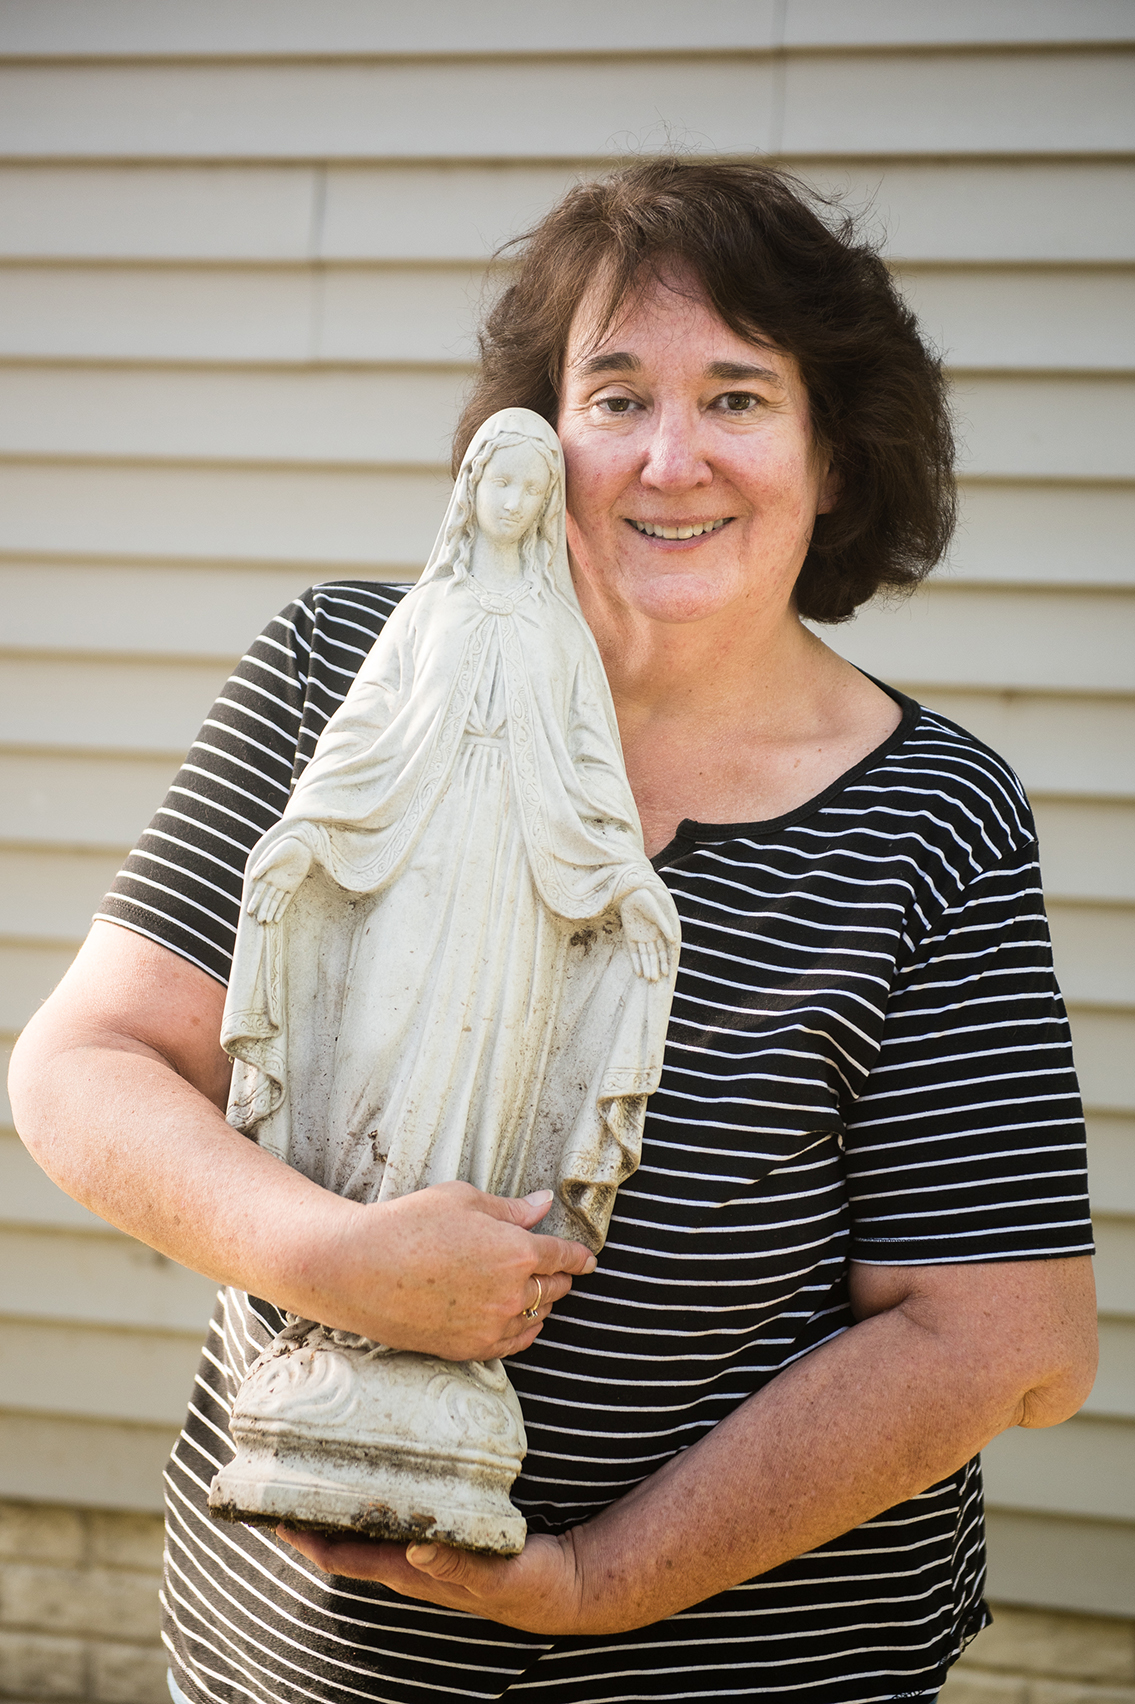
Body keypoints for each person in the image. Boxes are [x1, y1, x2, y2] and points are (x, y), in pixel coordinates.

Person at [9, 158, 1096, 1704]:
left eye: (734, 397)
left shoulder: (925, 816)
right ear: (534, 435)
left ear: (832, 453)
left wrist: (597, 1582)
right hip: (292, 1662)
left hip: (735, 1674)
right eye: (612, 396)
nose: (667, 461)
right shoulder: (350, 672)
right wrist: (334, 1260)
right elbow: (84, 1065)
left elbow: (1003, 1342)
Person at [222, 408, 678, 1247]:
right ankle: (363, 1241)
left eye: (531, 488)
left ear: (546, 504)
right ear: (470, 487)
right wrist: (305, 835)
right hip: (414, 857)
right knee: (379, 1031)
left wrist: (625, 881)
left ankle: (461, 1254)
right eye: (499, 481)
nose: (511, 500)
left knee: (495, 1054)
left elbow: (591, 771)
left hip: (519, 880)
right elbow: (363, 732)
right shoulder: (427, 612)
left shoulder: (560, 634)